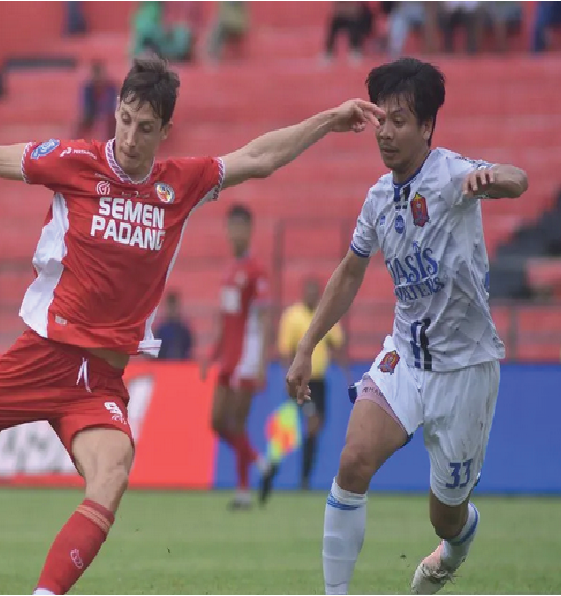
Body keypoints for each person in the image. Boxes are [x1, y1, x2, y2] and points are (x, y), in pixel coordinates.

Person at [0, 57, 382, 596]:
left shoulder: (179, 185)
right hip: (42, 355)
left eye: (146, 127)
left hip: (99, 382)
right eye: (126, 120)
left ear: (165, 131)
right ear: (114, 112)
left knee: (111, 476)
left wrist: (328, 119)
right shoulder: (74, 162)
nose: (131, 137)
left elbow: (258, 157)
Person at [284, 57, 528, 595]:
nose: (387, 133)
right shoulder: (377, 199)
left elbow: (518, 179)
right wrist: (306, 346)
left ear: (426, 128)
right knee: (352, 461)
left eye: (400, 121)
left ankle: (457, 542)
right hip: (406, 358)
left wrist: (494, 178)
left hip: (466, 369)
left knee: (445, 517)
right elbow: (350, 272)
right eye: (382, 120)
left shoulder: (450, 174)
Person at [200, 204, 271, 510]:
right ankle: (261, 462)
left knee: (237, 422)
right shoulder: (230, 270)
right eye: (231, 227)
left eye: (240, 227)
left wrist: (262, 362)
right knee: (216, 422)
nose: (235, 233)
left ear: (249, 230)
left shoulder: (256, 270)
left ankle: (243, 491)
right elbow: (224, 317)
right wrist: (211, 354)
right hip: (227, 356)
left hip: (246, 356)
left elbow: (265, 316)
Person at [260, 276, 345, 501]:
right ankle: (281, 474)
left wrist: (347, 373)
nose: (311, 296)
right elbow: (286, 350)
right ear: (303, 293)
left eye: (314, 292)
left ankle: (284, 474)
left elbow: (337, 343)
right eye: (308, 291)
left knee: (308, 429)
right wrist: (288, 376)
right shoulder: (292, 316)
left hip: (320, 382)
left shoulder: (324, 315)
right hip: (300, 381)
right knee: (307, 423)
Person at [78, 60, 117, 142]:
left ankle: (112, 142)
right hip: (92, 112)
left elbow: (112, 104)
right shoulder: (88, 87)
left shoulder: (111, 86)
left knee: (111, 120)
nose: (98, 77)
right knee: (80, 123)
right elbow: (86, 106)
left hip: (108, 113)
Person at [155, 291, 193, 360]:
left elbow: (188, 350)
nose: (172, 310)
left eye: (174, 307)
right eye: (170, 307)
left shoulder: (184, 330)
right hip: (163, 366)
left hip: (181, 366)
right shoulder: (161, 330)